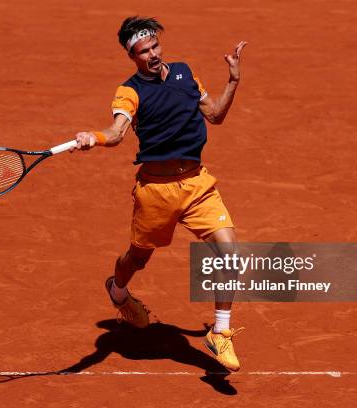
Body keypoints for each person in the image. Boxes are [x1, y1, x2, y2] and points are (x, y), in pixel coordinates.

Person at [71, 16, 247, 372]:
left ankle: (221, 332)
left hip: (198, 185)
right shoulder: (129, 91)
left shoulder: (184, 74)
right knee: (138, 258)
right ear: (131, 56)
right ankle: (118, 291)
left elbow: (214, 115)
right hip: (156, 193)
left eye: (154, 46)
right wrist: (94, 136)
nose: (152, 55)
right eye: (143, 51)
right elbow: (118, 132)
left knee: (231, 255)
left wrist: (232, 81)